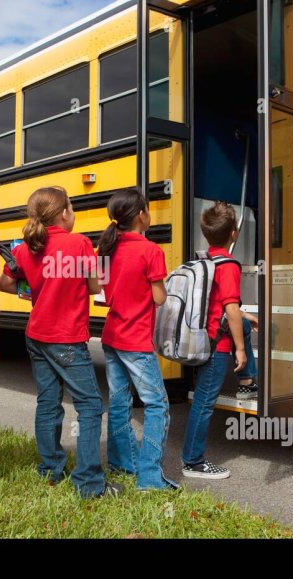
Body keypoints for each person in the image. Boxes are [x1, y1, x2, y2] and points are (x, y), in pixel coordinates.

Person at [0, 187, 122, 499]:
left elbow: (5, 283)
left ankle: (50, 469)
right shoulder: (79, 243)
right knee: (90, 405)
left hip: (36, 335)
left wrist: (36, 287)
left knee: (48, 402)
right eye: (72, 207)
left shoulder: (26, 247)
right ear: (64, 213)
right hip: (66, 337)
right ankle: (89, 482)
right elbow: (94, 286)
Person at [97, 188, 179, 491]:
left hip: (112, 336)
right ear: (141, 215)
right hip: (135, 340)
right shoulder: (150, 251)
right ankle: (150, 477)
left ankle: (123, 462)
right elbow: (159, 297)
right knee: (157, 405)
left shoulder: (107, 247)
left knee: (120, 402)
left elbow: (106, 291)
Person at [181, 201, 258, 479]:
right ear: (234, 234)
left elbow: (218, 304)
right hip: (217, 345)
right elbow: (230, 309)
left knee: (244, 325)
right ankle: (193, 462)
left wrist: (245, 317)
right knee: (204, 403)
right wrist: (241, 350)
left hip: (201, 339)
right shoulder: (229, 265)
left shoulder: (205, 261)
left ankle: (247, 384)